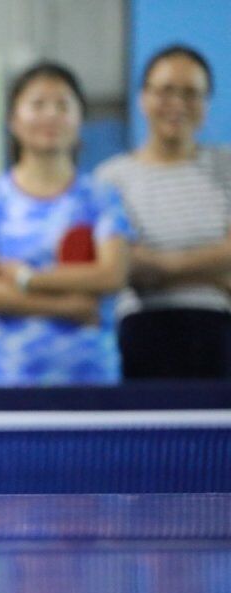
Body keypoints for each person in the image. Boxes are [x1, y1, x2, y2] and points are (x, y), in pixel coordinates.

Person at [0, 62, 131, 386]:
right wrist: (70, 306)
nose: (51, 114)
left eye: (63, 105)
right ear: (13, 120)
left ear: (80, 119)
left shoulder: (101, 196)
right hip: (8, 376)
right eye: (38, 104)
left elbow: (112, 274)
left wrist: (26, 278)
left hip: (92, 376)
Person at [96, 46, 231, 379]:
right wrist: (215, 274)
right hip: (141, 332)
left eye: (191, 93)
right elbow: (123, 265)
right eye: (166, 91)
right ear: (143, 97)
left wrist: (159, 267)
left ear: (206, 103)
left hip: (219, 331)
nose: (178, 104)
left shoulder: (227, 165)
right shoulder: (111, 178)